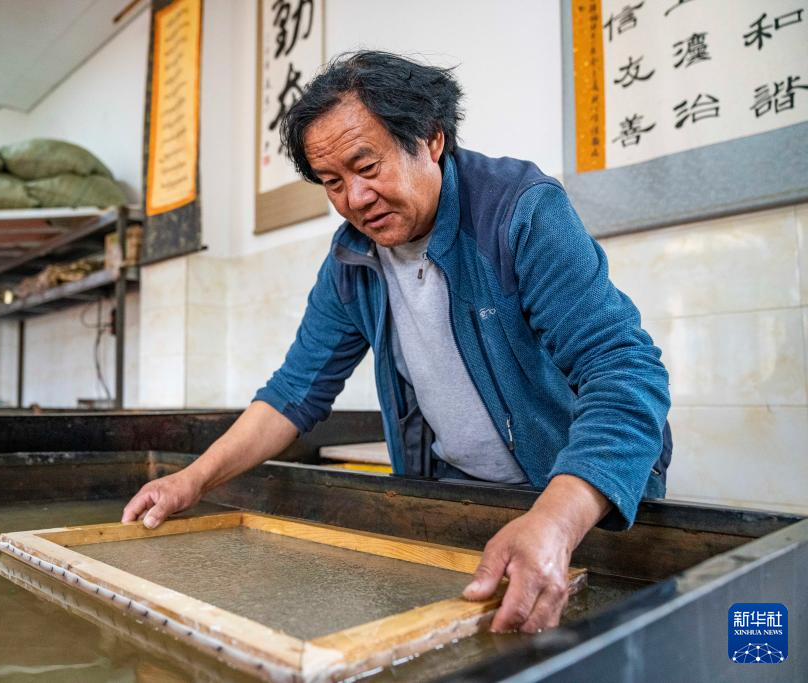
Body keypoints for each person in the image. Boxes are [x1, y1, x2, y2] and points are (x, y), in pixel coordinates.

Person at [123, 51, 671, 633]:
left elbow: (624, 370)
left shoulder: (519, 212)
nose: (355, 199)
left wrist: (556, 521)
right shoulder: (351, 260)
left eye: (367, 167)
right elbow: (292, 394)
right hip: (462, 495)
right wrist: (192, 480)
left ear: (431, 140)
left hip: (574, 495)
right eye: (333, 183)